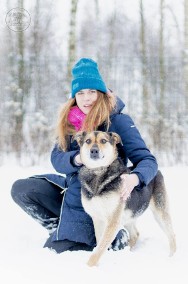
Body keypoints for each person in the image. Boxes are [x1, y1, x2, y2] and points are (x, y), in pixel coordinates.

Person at [11, 58, 158, 253]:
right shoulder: (70, 122)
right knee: (23, 189)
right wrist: (77, 158)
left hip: (104, 194)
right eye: (80, 93)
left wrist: (135, 177)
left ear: (101, 93)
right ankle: (58, 225)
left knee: (64, 249)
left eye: (92, 92)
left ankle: (115, 233)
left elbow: (147, 160)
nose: (86, 98)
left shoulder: (118, 121)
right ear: (74, 96)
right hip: (73, 189)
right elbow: (57, 159)